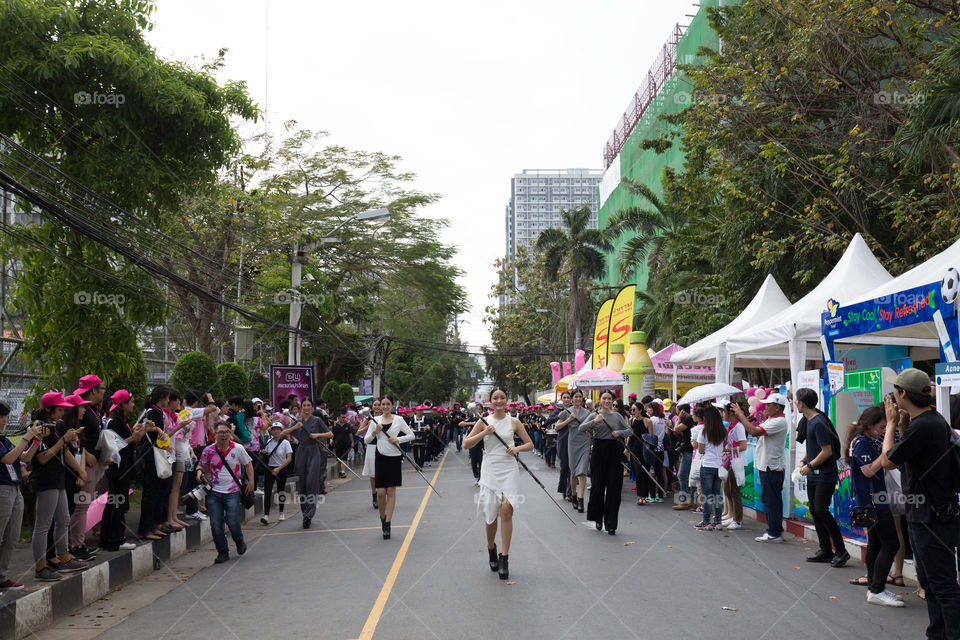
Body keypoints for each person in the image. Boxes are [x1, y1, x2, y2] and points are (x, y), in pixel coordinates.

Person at [878, 369, 960, 635]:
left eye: (894, 392)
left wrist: (890, 424)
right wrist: (902, 424)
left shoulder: (925, 425)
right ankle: (937, 633)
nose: (891, 397)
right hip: (927, 513)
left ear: (903, 394)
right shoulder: (928, 421)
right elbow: (912, 455)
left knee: (943, 585)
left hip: (931, 518)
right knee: (930, 582)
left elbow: (889, 459)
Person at [463, 388, 533, 579]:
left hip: (509, 467)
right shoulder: (483, 421)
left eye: (502, 397)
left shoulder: (514, 421)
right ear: (490, 401)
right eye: (496, 398)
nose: (499, 400)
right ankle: (491, 548)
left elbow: (530, 444)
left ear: (507, 400)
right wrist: (484, 432)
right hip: (490, 468)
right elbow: (466, 444)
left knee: (507, 509)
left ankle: (504, 557)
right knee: (491, 514)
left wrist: (516, 448)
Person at [843, 405, 904, 607]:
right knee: (891, 544)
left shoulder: (865, 441)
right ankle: (877, 589)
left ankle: (874, 586)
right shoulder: (861, 443)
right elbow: (868, 471)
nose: (882, 430)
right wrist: (884, 456)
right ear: (870, 425)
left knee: (876, 544)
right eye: (881, 427)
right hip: (873, 502)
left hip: (874, 500)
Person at [31, 392, 88, 581]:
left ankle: (63, 556)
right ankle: (40, 566)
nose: (63, 412)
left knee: (63, 518)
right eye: (60, 408)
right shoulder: (38, 428)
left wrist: (80, 470)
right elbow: (43, 457)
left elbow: (64, 453)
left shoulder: (55, 427)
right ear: (49, 408)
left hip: (58, 478)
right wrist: (64, 440)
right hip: (46, 480)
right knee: (43, 524)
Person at [796, 388, 849, 566]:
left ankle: (841, 551)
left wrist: (810, 466)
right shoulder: (809, 421)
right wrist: (804, 461)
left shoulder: (818, 422)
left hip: (824, 475)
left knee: (821, 510)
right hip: (814, 474)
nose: (795, 404)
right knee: (815, 510)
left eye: (796, 401)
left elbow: (827, 452)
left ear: (801, 403)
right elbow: (816, 448)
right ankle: (825, 549)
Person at [733, 394, 788, 542]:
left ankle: (774, 533)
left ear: (777, 407)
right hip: (768, 466)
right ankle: (774, 530)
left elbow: (754, 431)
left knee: (771, 501)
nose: (765, 407)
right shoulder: (772, 420)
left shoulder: (779, 421)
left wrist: (741, 415)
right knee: (770, 500)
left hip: (772, 467)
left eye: (768, 405)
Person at [197, 422, 253, 564]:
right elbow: (201, 465)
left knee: (232, 521)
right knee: (216, 523)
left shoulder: (238, 448)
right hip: (214, 492)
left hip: (233, 491)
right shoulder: (209, 450)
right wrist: (199, 471)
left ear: (230, 434)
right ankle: (222, 551)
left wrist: (251, 482)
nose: (224, 435)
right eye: (220, 432)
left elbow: (248, 464)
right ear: (215, 434)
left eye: (227, 432)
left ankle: (239, 541)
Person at [99, 390, 146, 551]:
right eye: (131, 402)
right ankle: (116, 539)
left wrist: (137, 433)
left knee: (114, 503)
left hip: (122, 467)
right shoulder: (114, 422)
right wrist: (133, 437)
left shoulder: (122, 420)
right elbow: (114, 446)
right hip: (117, 468)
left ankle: (106, 539)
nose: (133, 404)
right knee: (119, 504)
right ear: (124, 404)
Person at [581, 390, 632, 535]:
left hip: (614, 451)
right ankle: (598, 518)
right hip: (598, 451)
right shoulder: (594, 415)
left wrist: (619, 433)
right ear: (600, 400)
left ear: (612, 401)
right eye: (604, 398)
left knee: (614, 488)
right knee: (597, 486)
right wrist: (594, 421)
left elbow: (630, 431)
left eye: (610, 399)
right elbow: (581, 428)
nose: (607, 401)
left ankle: (611, 523)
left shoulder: (617, 416)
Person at [364, 396, 415, 540]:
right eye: (382, 404)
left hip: (394, 457)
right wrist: (375, 431)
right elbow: (366, 440)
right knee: (380, 492)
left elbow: (411, 435)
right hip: (380, 456)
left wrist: (398, 439)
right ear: (379, 406)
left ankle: (388, 523)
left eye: (388, 404)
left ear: (392, 405)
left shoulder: (399, 419)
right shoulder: (375, 421)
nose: (385, 406)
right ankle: (382, 517)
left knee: (391, 490)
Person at [1, 402, 39, 591]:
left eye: (5, 416)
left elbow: (24, 457)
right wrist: (26, 437)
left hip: (14, 488)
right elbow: (7, 459)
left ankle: (3, 576)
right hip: (2, 489)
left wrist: (36, 441)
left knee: (11, 536)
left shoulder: (4, 439)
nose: (3, 420)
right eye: (0, 416)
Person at [279, 398, 332, 529]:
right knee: (302, 485)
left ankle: (310, 514)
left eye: (309, 405)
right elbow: (281, 434)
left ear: (312, 407)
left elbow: (330, 434)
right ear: (301, 407)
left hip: (314, 452)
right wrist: (295, 427)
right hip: (301, 452)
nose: (307, 407)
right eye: (304, 405)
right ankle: (305, 513)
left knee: (311, 482)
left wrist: (317, 435)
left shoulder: (317, 420)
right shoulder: (297, 421)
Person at [69, 374, 106, 560]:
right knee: (80, 505)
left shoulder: (93, 410)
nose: (104, 393)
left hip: (92, 463)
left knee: (83, 504)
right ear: (94, 390)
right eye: (102, 389)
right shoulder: (81, 410)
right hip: (83, 463)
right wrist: (86, 454)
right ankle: (75, 545)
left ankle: (78, 542)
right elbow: (77, 435)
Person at [556, 390, 592, 513]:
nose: (578, 399)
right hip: (571, 443)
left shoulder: (587, 413)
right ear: (572, 399)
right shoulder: (566, 412)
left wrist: (590, 444)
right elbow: (557, 427)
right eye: (575, 396)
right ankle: (574, 494)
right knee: (573, 473)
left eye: (580, 397)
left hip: (584, 443)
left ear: (583, 399)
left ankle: (581, 499)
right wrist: (569, 420)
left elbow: (590, 430)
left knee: (582, 471)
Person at [717, 400, 747, 530]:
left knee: (735, 491)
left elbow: (743, 446)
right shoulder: (730, 426)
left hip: (736, 462)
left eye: (723, 411)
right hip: (728, 461)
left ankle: (737, 519)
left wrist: (728, 450)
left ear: (730, 412)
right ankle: (732, 516)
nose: (722, 414)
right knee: (728, 490)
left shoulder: (739, 427)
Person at [696, 406, 726, 530]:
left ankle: (706, 522)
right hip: (719, 466)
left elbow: (701, 450)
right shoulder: (723, 431)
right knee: (718, 495)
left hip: (707, 465)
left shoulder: (703, 432)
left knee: (707, 495)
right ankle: (718, 522)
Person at [260, 421, 292, 524]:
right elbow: (266, 454)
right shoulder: (269, 442)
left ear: (281, 431)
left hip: (281, 469)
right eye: (274, 430)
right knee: (268, 491)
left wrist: (279, 468)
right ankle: (266, 515)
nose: (276, 431)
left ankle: (281, 512)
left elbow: (289, 458)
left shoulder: (285, 443)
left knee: (281, 490)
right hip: (269, 469)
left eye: (278, 429)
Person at [357, 398, 382, 508]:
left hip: (383, 446)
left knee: (382, 472)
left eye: (379, 405)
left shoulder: (385, 417)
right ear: (372, 407)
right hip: (371, 446)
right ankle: (374, 496)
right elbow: (358, 432)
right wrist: (370, 425)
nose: (377, 407)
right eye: (375, 405)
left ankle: (382, 495)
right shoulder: (368, 418)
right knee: (373, 474)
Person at [628, 402, 653, 506]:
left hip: (645, 450)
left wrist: (651, 450)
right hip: (634, 450)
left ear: (640, 410)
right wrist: (627, 448)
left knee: (645, 473)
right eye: (631, 410)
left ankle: (644, 496)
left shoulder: (647, 421)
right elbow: (630, 435)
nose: (632, 412)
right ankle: (640, 496)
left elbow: (652, 438)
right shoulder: (631, 420)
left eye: (634, 410)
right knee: (638, 472)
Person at [672, 404, 696, 510]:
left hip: (688, 451)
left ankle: (684, 501)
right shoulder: (692, 420)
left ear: (682, 411)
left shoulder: (688, 419)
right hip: (690, 450)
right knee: (691, 476)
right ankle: (693, 501)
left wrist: (679, 419)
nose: (677, 413)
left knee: (682, 475)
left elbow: (676, 430)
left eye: (678, 411)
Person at [554, 391, 573, 501]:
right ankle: (563, 489)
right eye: (564, 397)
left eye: (568, 397)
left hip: (573, 440)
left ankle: (570, 491)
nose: (566, 399)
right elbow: (552, 423)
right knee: (564, 467)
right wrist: (559, 416)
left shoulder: (575, 410)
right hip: (562, 440)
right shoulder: (558, 410)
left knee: (571, 467)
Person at [332, 413, 353, 478]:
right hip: (338, 444)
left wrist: (352, 442)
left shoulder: (347, 425)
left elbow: (350, 434)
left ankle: (343, 472)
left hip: (346, 444)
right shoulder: (335, 425)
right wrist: (331, 440)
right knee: (339, 459)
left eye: (344, 417)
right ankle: (340, 472)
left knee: (344, 458)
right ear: (339, 417)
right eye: (342, 417)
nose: (344, 419)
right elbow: (332, 434)